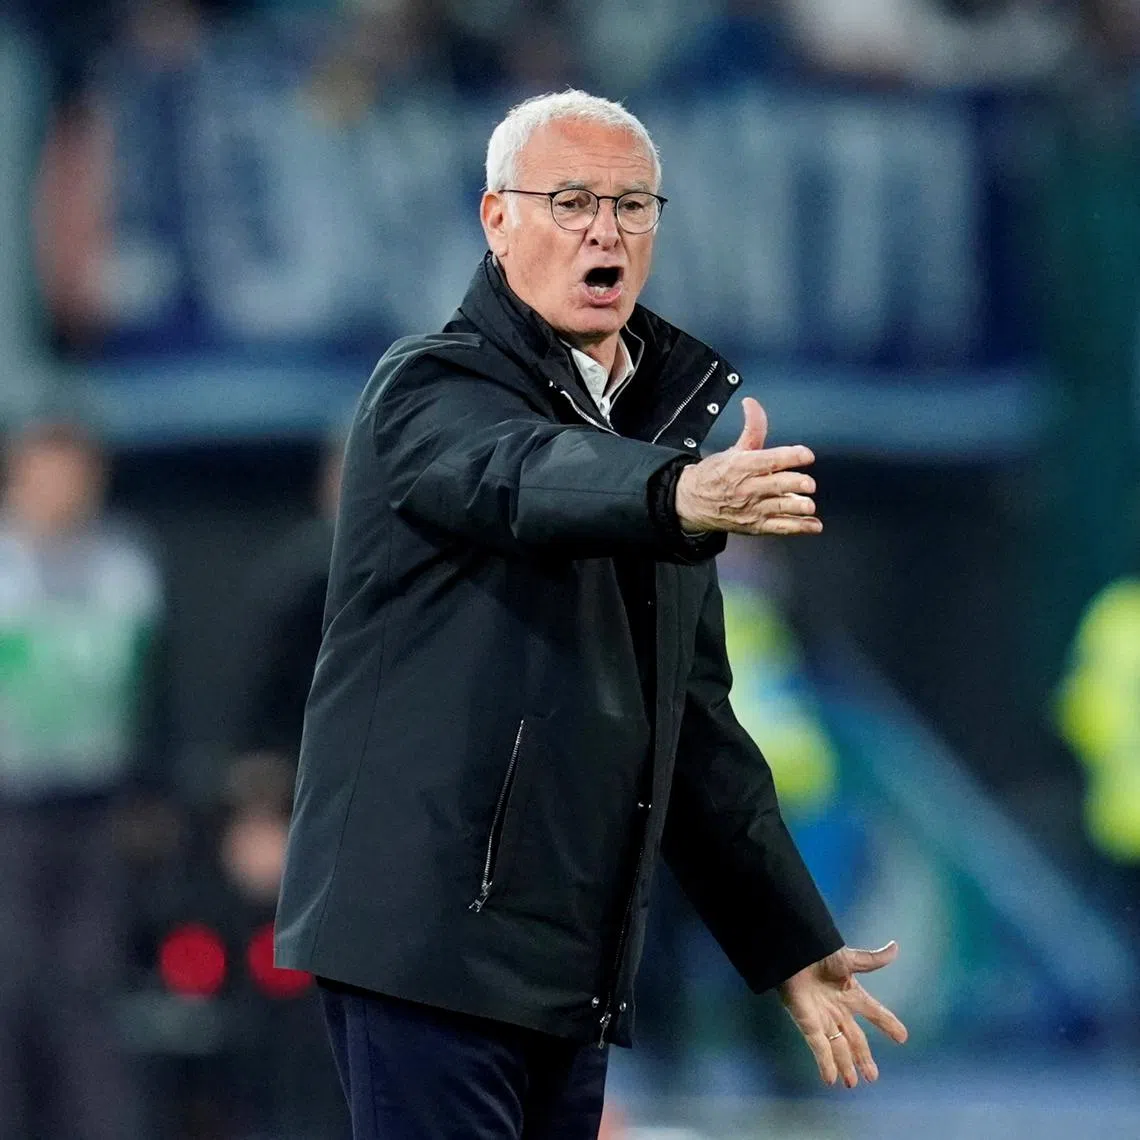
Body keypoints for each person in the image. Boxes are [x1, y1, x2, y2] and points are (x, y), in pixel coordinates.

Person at [275, 90, 908, 1140]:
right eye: (569, 201)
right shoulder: (428, 387)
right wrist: (677, 494)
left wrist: (789, 942)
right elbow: (525, 473)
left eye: (631, 205)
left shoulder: (650, 448)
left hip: (567, 968)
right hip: (426, 944)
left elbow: (693, 731)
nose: (604, 230)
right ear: (496, 219)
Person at [0, 416, 166, 1139]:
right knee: (10, 981)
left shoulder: (127, 568)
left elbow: (157, 693)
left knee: (89, 983)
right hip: (9, 810)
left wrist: (152, 793)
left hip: (97, 809)